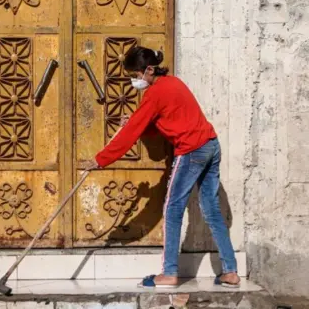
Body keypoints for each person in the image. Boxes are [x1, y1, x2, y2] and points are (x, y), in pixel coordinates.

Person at [82, 46, 240, 289]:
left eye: (136, 75)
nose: (135, 80)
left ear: (149, 70)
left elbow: (131, 134)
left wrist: (100, 160)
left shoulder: (155, 93)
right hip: (211, 145)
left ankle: (169, 273)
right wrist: (136, 121)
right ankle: (230, 271)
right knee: (210, 209)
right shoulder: (173, 83)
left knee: (172, 208)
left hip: (191, 151)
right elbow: (167, 120)